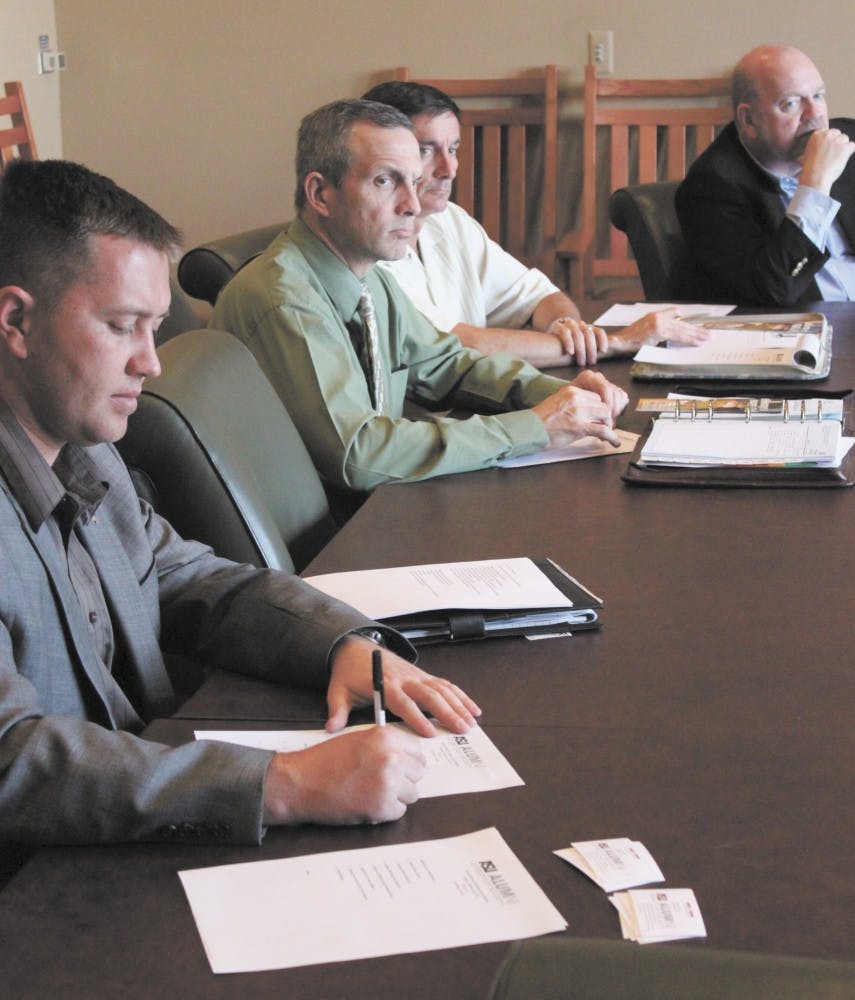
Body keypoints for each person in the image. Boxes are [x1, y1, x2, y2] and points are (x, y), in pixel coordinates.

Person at [0, 158, 482, 877]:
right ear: (16, 320)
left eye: (155, 328)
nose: (150, 364)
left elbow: (186, 575)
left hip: (120, 847)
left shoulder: (83, 447)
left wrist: (338, 644)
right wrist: (279, 784)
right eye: (121, 326)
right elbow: (13, 762)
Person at [210, 99, 629, 499]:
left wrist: (556, 394)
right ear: (320, 194)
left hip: (372, 509)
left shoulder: (369, 280)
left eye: (414, 181)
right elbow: (360, 454)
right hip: (321, 544)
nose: (412, 205)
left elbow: (447, 366)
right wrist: (534, 427)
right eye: (385, 181)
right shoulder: (286, 299)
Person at [362, 81, 707, 368]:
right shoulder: (367, 250)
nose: (449, 168)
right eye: (426, 150)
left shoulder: (451, 220)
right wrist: (616, 342)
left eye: (453, 149)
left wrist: (568, 327)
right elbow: (462, 346)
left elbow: (539, 296)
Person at [677, 44, 855, 306]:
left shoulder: (848, 142)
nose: (815, 114)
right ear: (749, 120)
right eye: (791, 103)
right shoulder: (711, 187)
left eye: (818, 96)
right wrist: (816, 184)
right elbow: (773, 289)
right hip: (810, 333)